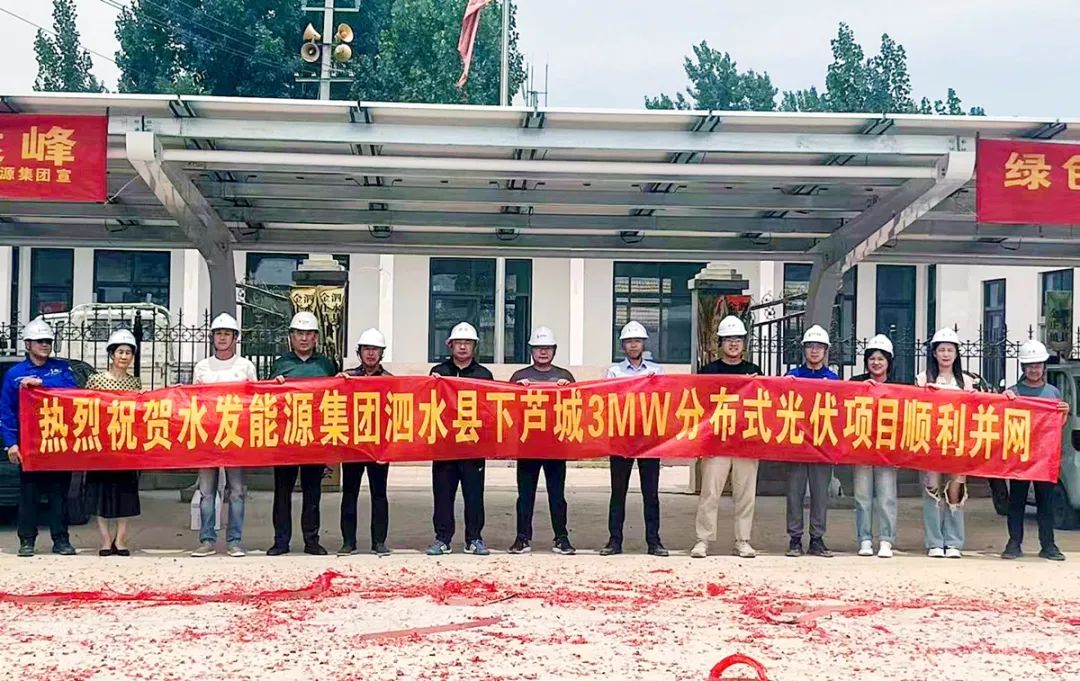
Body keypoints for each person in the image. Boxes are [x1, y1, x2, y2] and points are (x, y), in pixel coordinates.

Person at [0, 318, 79, 558]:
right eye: (39, 341)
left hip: (58, 443)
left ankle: (61, 539)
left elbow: (73, 392)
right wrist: (11, 444)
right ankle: (27, 541)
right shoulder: (15, 374)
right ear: (27, 345)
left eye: (48, 341)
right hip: (30, 445)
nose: (45, 345)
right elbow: (6, 412)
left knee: (59, 494)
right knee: (29, 495)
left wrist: (41, 383)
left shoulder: (61, 369)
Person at [268, 311, 338, 556]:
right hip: (286, 438)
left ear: (316, 337)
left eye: (309, 334)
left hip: (314, 438)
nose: (304, 338)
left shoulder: (326, 365)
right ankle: (281, 541)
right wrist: (274, 385)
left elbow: (337, 397)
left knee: (312, 493)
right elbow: (267, 399)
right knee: (282, 493)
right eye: (299, 333)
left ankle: (311, 540)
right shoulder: (280, 364)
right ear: (291, 336)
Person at [692, 316, 761, 559]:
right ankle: (703, 539)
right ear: (720, 343)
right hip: (716, 442)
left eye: (738, 339)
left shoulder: (754, 372)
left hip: (745, 442)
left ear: (744, 343)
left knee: (745, 494)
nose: (733, 343)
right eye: (729, 339)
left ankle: (743, 540)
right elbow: (698, 404)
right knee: (710, 493)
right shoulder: (708, 372)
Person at [191, 313, 258, 558]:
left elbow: (255, 400)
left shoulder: (245, 366)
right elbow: (193, 401)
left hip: (235, 436)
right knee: (207, 491)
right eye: (218, 333)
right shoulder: (202, 367)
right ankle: (207, 540)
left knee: (237, 490)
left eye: (227, 334)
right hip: (208, 436)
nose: (222, 338)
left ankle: (235, 541)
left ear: (235, 338)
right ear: (212, 337)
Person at [601, 320, 669, 557]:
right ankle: (614, 541)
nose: (633, 345)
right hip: (622, 438)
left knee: (651, 493)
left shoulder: (657, 371)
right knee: (618, 492)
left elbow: (664, 400)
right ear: (623, 345)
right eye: (629, 341)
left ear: (644, 344)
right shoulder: (614, 372)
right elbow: (608, 400)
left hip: (649, 439)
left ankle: (654, 541)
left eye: (637, 341)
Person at [427, 322, 494, 556]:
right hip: (444, 445)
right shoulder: (438, 372)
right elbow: (428, 404)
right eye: (459, 343)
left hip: (473, 445)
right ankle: (442, 539)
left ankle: (474, 538)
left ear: (474, 346)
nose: (463, 347)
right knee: (443, 495)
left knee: (474, 495)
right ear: (450, 345)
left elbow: (489, 409)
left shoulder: (484, 375)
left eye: (467, 343)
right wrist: (433, 385)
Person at [508, 326, 576, 556]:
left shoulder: (564, 376)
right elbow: (507, 407)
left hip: (556, 444)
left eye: (547, 348)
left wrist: (568, 390)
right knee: (525, 495)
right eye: (538, 348)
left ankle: (562, 538)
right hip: (527, 444)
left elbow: (576, 407)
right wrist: (517, 391)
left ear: (554, 350)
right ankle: (522, 538)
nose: (543, 352)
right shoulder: (519, 377)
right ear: (531, 350)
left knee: (557, 495)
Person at [1001, 339, 1069, 561]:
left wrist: (1063, 412)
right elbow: (1001, 420)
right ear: (1023, 367)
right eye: (1030, 365)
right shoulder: (1012, 392)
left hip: (1044, 457)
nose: (1034, 369)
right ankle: (1014, 543)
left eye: (1038, 365)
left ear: (1043, 367)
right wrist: (1004, 400)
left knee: (1045, 503)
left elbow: (1058, 426)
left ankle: (1048, 545)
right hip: (1019, 456)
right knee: (1017, 501)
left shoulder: (1052, 393)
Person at [916, 327, 976, 559]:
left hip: (958, 445)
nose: (946, 354)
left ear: (956, 353)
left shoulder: (967, 382)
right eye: (941, 350)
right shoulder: (922, 379)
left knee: (955, 491)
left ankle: (953, 542)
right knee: (931, 490)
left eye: (950, 350)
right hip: (931, 443)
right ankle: (934, 542)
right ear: (934, 353)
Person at [85, 329, 143, 557]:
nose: (124, 356)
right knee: (100, 492)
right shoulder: (95, 380)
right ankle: (105, 540)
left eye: (128, 352)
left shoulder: (134, 383)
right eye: (120, 352)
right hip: (101, 445)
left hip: (125, 447)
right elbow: (85, 408)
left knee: (125, 493)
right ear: (111, 354)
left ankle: (120, 540)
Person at [336, 328, 392, 557]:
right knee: (350, 493)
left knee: (379, 494)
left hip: (379, 445)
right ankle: (348, 542)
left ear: (382, 353)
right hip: (353, 445)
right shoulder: (348, 377)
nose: (370, 353)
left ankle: (379, 542)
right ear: (359, 352)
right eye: (366, 349)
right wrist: (337, 383)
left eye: (375, 349)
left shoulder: (389, 380)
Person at [785, 324, 839, 558]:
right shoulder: (792, 377)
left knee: (820, 494)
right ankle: (795, 539)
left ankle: (817, 539)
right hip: (796, 444)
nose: (814, 350)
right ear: (804, 349)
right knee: (794, 493)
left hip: (821, 445)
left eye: (819, 346)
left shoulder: (834, 380)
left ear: (826, 350)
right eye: (810, 346)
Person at [849, 334, 899, 559]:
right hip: (862, 448)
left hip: (887, 451)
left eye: (881, 359)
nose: (876, 363)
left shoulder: (899, 387)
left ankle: (886, 540)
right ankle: (865, 539)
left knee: (887, 496)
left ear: (889, 361)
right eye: (872, 358)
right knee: (862, 496)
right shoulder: (856, 383)